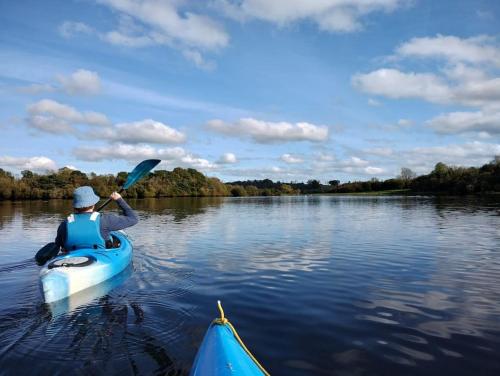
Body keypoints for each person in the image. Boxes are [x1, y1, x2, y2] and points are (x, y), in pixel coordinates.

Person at [55, 186, 138, 251]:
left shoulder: (65, 223)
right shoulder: (105, 220)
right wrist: (119, 199)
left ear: (75, 206)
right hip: (102, 256)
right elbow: (133, 219)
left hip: (73, 257)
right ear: (93, 204)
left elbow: (59, 245)